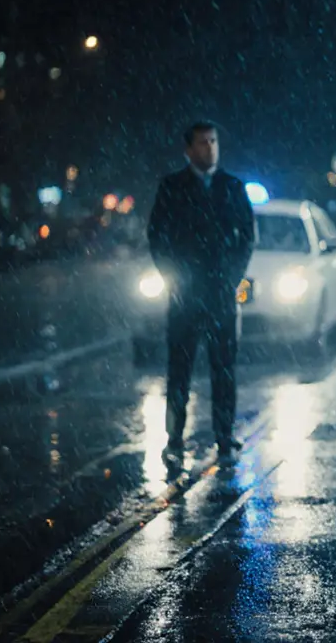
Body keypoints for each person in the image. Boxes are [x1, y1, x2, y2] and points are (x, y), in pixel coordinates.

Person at [147, 121, 256, 465]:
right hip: (184, 295)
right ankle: (174, 438)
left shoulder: (232, 187)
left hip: (221, 293)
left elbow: (247, 237)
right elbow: (157, 235)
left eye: (213, 141)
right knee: (179, 368)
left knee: (223, 368)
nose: (209, 148)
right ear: (188, 149)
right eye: (202, 142)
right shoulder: (172, 187)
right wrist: (173, 276)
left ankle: (225, 436)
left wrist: (232, 277)